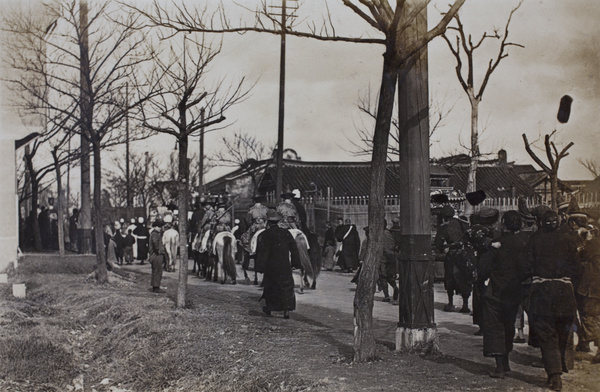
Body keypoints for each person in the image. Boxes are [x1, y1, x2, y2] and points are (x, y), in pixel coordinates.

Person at [523, 210, 581, 391]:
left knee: (547, 336)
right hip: (565, 293)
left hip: (543, 294)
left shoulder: (535, 240)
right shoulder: (570, 240)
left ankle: (554, 375)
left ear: (540, 223)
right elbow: (578, 268)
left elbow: (525, 266)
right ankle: (562, 366)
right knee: (563, 333)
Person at [479, 210, 530, 379]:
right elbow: (526, 269)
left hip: (495, 291)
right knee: (508, 326)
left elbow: (484, 269)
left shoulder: (497, 243)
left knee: (494, 327)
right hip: (514, 292)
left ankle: (500, 367)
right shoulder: (523, 244)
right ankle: (506, 362)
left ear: (503, 223)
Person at [255, 209, 301, 319]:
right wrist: (296, 263)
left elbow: (262, 252)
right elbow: (294, 249)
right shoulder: (286, 233)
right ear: (278, 221)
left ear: (268, 222)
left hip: (271, 266)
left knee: (271, 286)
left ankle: (270, 308)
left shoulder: (265, 234)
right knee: (286, 286)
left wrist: (260, 266)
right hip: (284, 265)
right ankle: (287, 310)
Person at [574, 220, 600, 364]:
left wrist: (585, 241)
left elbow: (578, 258)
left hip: (592, 288)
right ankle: (584, 342)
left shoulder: (593, 245)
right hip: (594, 287)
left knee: (589, 317)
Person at [434, 205, 468, 312]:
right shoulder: (463, 223)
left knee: (450, 278)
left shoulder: (444, 226)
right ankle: (465, 305)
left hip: (453, 255)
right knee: (465, 278)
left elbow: (438, 243)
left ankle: (450, 303)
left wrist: (440, 250)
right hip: (465, 254)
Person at [380, 219, 400, 303]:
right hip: (392, 257)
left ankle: (386, 296)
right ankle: (395, 287)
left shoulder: (379, 234)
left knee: (382, 276)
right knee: (390, 275)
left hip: (383, 257)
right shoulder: (390, 233)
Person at [148, 219, 166, 293]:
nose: (160, 228)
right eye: (159, 226)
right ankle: (156, 287)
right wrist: (158, 250)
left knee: (156, 270)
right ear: (155, 227)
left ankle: (155, 286)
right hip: (156, 255)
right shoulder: (155, 234)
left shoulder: (154, 234)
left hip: (154, 255)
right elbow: (155, 243)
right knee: (157, 271)